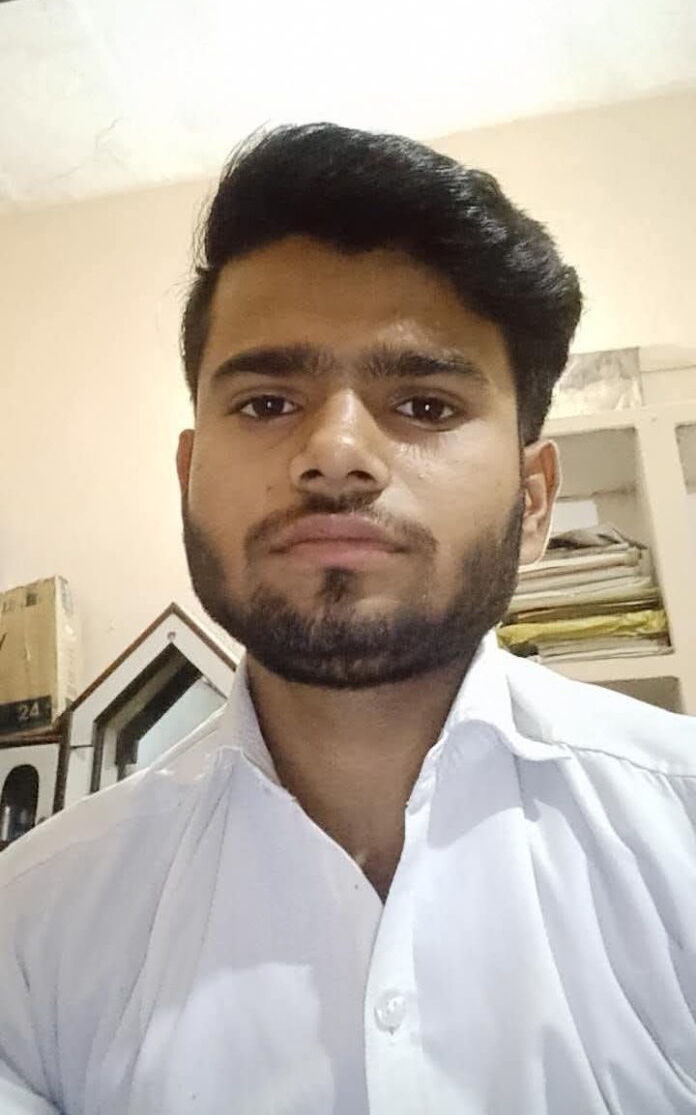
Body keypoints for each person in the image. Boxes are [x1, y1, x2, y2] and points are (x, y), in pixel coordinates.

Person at [1, 124, 694, 1115]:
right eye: (266, 401)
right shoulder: (31, 930)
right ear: (189, 476)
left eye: (424, 405)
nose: (334, 452)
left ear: (535, 499)